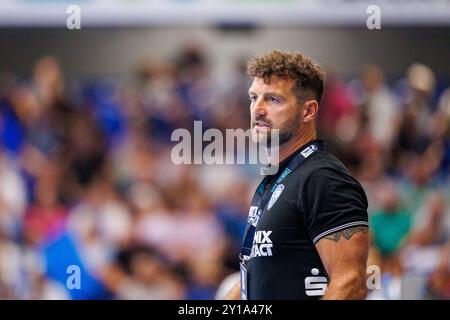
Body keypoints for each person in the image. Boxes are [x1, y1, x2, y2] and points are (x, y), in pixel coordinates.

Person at [225, 50, 369, 300]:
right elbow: (257, 276)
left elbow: (350, 283)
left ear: (308, 111)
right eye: (253, 98)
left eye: (272, 100)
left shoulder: (323, 178)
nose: (257, 110)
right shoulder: (274, 181)